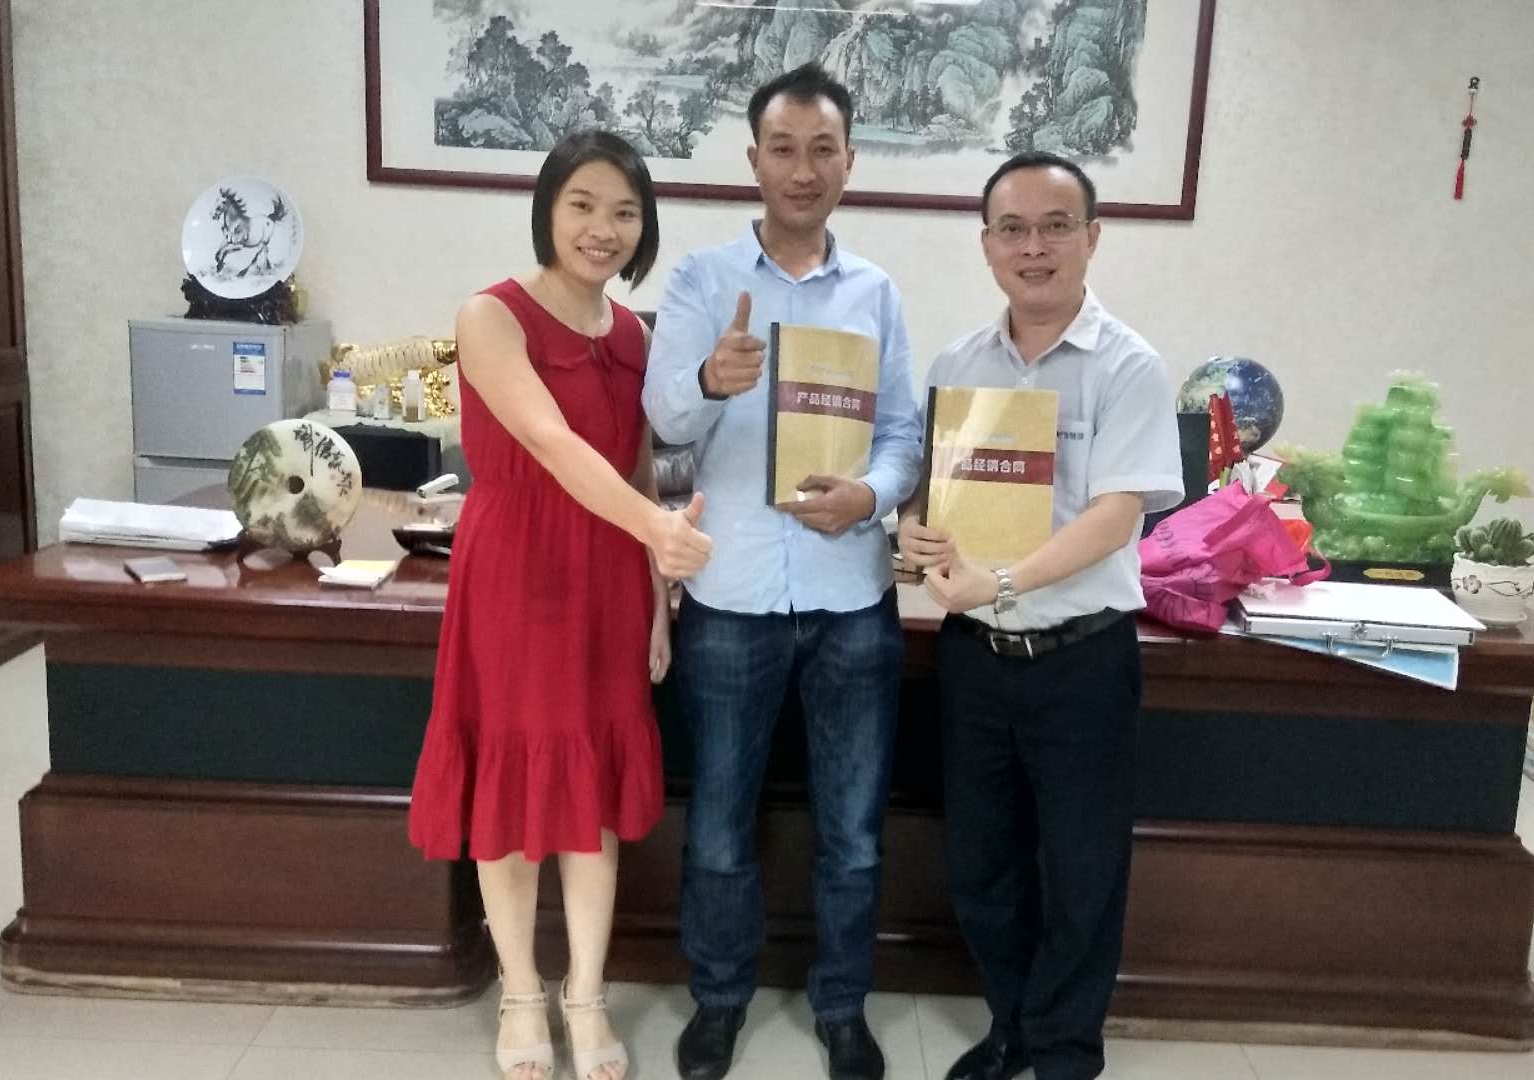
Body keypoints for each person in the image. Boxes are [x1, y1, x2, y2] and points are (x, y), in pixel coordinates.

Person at [408, 130, 713, 1080]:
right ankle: (520, 993)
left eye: (624, 212)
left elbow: (634, 463)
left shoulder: (634, 337)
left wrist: (655, 593)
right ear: (548, 207)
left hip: (608, 577)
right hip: (516, 573)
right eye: (583, 204)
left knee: (591, 795)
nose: (602, 229)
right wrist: (654, 529)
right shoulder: (489, 315)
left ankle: (586, 994)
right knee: (512, 785)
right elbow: (546, 440)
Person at [642, 62, 922, 1080]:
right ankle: (719, 1000)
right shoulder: (701, 281)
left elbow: (903, 435)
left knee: (854, 833)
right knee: (719, 826)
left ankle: (842, 1007)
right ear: (753, 160)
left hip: (851, 595)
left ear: (849, 161)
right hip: (733, 596)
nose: (803, 170)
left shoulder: (875, 293)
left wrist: (873, 496)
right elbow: (665, 423)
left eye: (822, 150)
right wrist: (709, 380)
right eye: (784, 150)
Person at [898, 151, 1183, 1080]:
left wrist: (1003, 582)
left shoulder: (1128, 366)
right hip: (975, 659)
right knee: (981, 864)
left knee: (1083, 869)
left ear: (1091, 238)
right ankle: (1013, 1024)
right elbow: (935, 496)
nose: (1034, 247)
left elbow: (1116, 516)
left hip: (1081, 660)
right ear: (986, 245)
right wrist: (915, 532)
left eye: (1055, 226)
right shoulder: (959, 365)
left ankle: (1065, 1050)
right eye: (1013, 229)